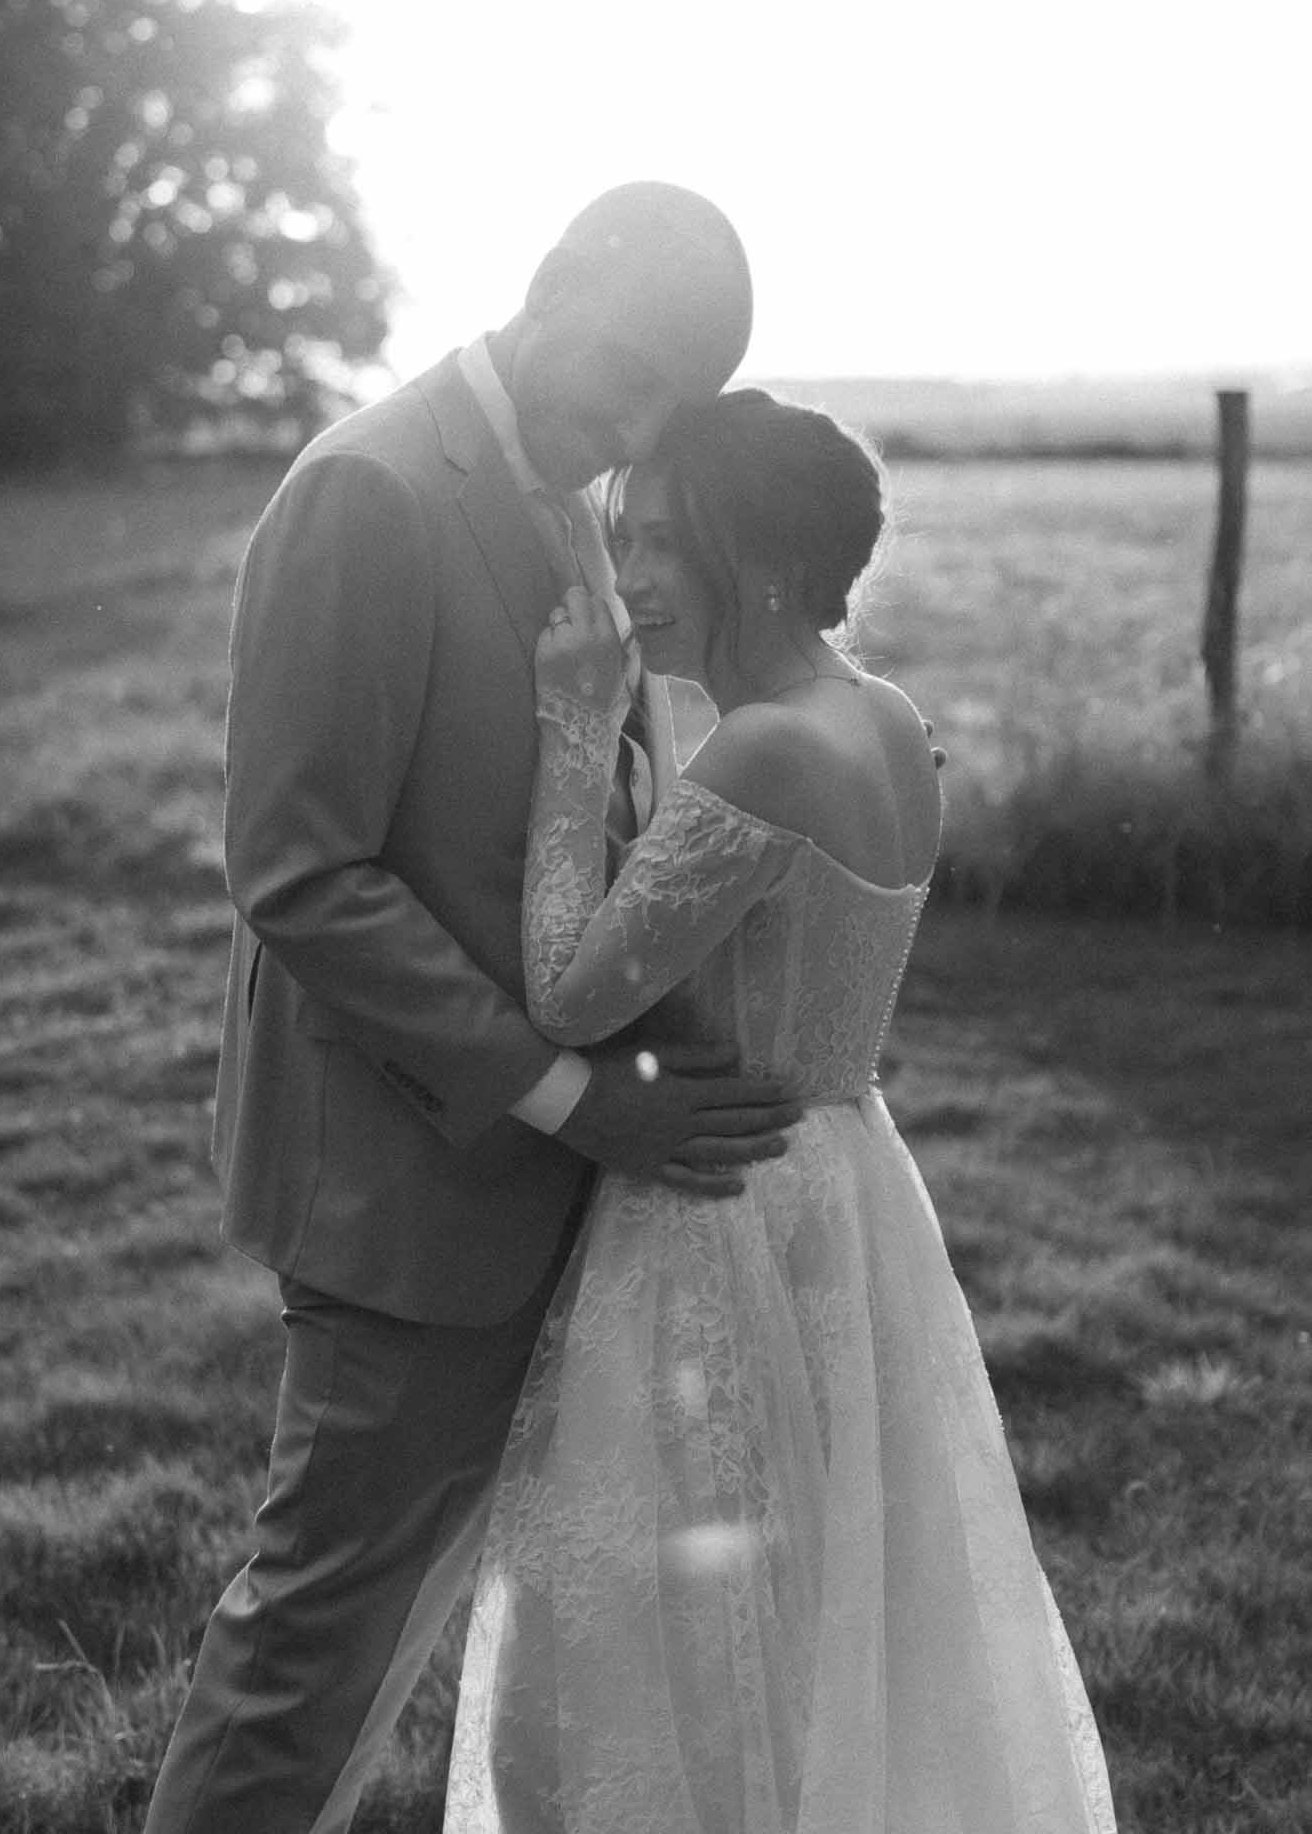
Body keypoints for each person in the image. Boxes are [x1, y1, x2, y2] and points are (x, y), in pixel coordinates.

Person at [143, 185, 807, 1834]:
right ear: (552, 275)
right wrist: (578, 1100)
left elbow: (570, 797)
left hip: (541, 1168)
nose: (638, 424)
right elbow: (299, 874)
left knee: (434, 1621)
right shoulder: (368, 489)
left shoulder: (574, 491)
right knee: (319, 1636)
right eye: (633, 369)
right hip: (406, 1174)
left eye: (674, 402)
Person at [443, 389, 1116, 1833]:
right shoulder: (879, 716)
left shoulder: (765, 754)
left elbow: (567, 991)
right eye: (622, 538)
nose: (625, 581)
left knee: (666, 1632)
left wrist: (572, 735)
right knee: (828, 1601)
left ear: (753, 557)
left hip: (720, 1204)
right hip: (845, 1181)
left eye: (658, 545)